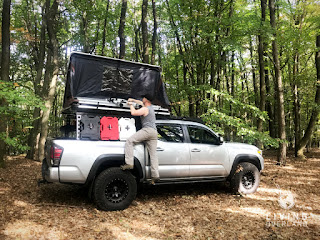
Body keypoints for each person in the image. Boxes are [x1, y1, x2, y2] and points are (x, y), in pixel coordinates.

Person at [121, 96, 160, 184]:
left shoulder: (145, 109)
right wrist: (133, 100)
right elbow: (140, 102)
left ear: (146, 100)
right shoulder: (151, 108)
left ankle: (129, 163)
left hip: (147, 131)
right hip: (154, 132)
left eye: (143, 98)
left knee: (130, 141)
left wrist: (130, 104)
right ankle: (155, 176)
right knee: (153, 155)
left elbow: (133, 112)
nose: (142, 99)